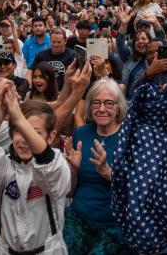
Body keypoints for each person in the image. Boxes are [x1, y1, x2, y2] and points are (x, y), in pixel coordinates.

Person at [0, 82, 71, 255]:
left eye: (34, 133)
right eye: (19, 131)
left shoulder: (57, 161)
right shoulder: (4, 166)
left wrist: (18, 119)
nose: (24, 139)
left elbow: (50, 172)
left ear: (51, 137)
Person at [62, 79, 129, 254]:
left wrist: (108, 173)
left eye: (108, 103)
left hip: (115, 224)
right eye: (96, 102)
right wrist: (74, 170)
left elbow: (139, 190)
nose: (101, 109)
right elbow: (69, 192)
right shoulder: (80, 134)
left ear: (118, 107)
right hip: (78, 217)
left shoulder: (130, 138)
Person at [116, 6, 151, 99]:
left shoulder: (155, 59)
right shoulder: (129, 57)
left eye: (144, 39)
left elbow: (163, 42)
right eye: (137, 40)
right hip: (129, 104)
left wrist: (155, 23)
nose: (140, 41)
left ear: (150, 42)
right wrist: (124, 24)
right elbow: (120, 44)